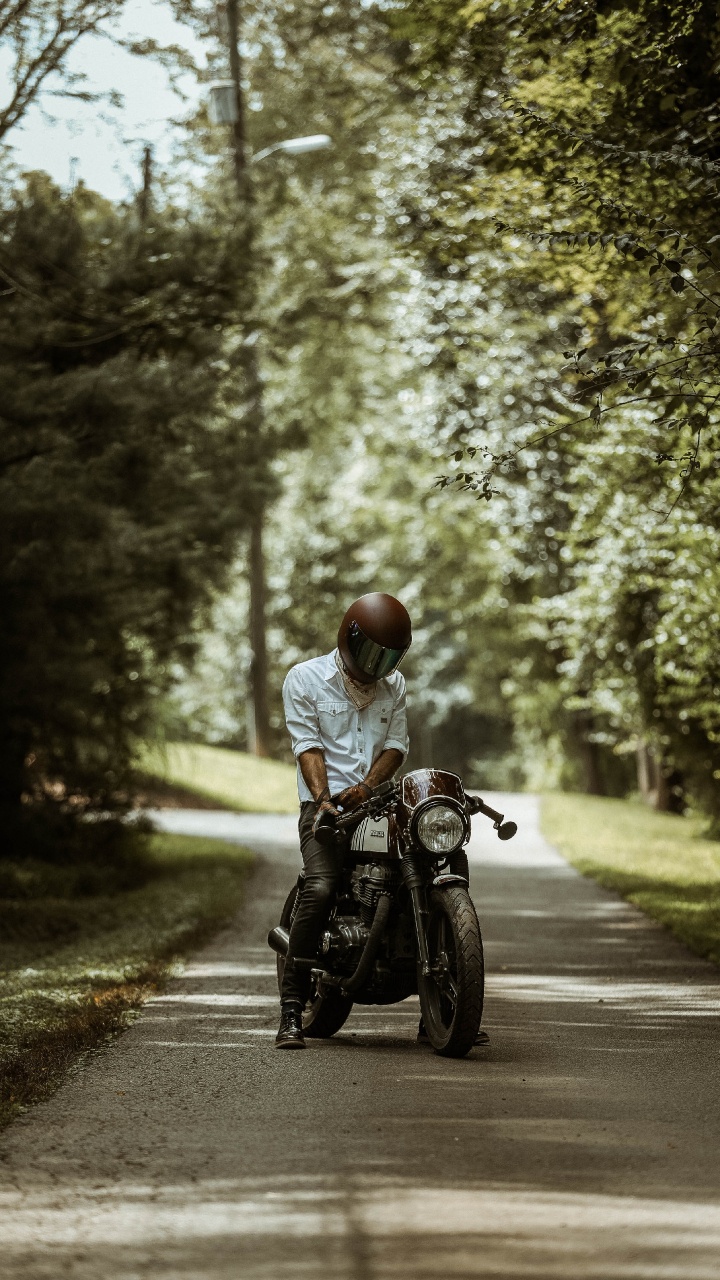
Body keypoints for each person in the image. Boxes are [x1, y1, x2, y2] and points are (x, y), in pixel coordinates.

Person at [275, 592, 412, 1049]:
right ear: (349, 637)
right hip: (325, 805)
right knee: (321, 885)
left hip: (375, 802)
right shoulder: (306, 678)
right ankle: (291, 1011)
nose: (378, 664)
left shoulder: (395, 686)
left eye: (388, 656)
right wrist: (325, 800)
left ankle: (445, 1005)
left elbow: (396, 745)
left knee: (432, 868)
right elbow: (306, 745)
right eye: (372, 651)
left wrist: (369, 788)